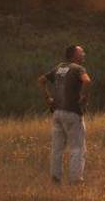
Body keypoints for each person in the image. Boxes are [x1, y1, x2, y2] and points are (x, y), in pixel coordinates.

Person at [37, 45, 91, 184]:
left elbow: (41, 80)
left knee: (57, 148)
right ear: (74, 55)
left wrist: (48, 98)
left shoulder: (59, 68)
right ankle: (76, 179)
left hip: (57, 113)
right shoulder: (78, 69)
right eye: (81, 52)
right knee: (77, 147)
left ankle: (56, 178)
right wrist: (83, 97)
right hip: (73, 112)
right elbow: (87, 80)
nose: (84, 54)